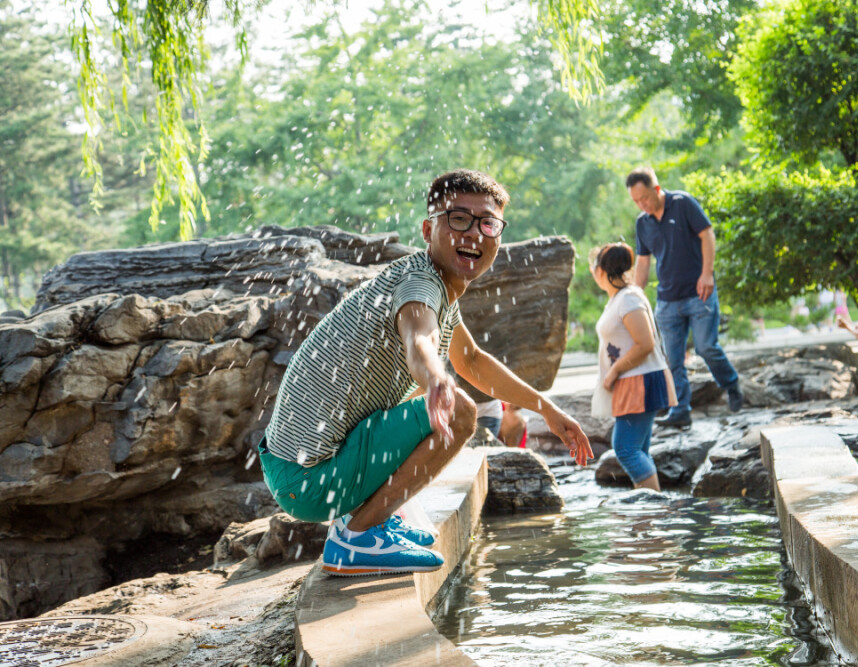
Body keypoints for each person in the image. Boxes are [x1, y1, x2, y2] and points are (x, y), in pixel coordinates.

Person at [259, 169, 593, 577]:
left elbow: (471, 359)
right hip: (310, 479)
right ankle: (356, 538)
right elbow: (418, 338)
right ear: (427, 228)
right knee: (458, 411)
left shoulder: (440, 286)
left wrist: (548, 410)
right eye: (458, 219)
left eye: (487, 223)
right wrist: (435, 378)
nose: (474, 233)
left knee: (434, 401)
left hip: (296, 470)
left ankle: (373, 518)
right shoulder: (421, 283)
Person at [626, 167, 742, 428]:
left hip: (699, 293)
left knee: (706, 347)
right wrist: (634, 296)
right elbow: (643, 263)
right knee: (672, 358)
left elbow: (707, 235)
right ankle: (680, 410)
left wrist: (707, 274)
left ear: (656, 189)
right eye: (636, 201)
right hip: (667, 300)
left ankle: (732, 384)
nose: (641, 204)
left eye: (644, 198)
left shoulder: (683, 203)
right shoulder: (642, 223)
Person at [590, 243, 677, 490]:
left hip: (641, 380)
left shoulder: (629, 298)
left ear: (600, 270)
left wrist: (615, 370)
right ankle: (648, 519)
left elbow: (645, 343)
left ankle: (652, 510)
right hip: (634, 381)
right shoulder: (619, 298)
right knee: (638, 450)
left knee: (625, 449)